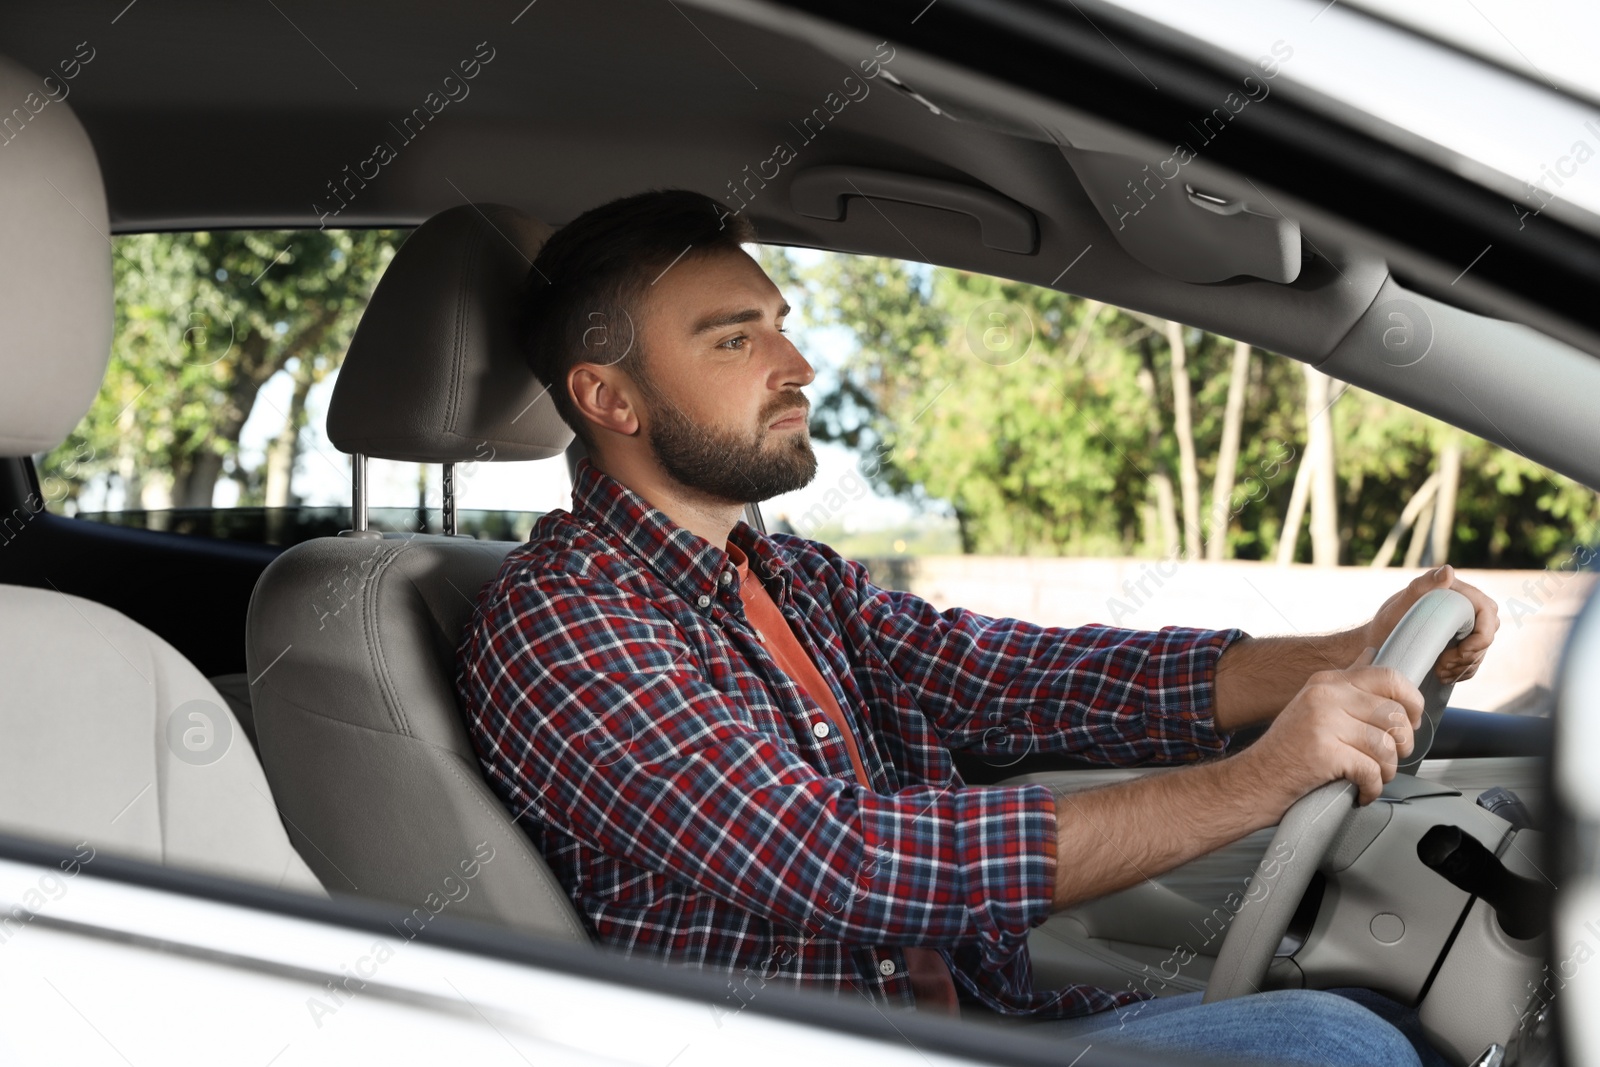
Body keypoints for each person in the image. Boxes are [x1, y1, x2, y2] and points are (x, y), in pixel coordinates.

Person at [455, 189, 1499, 1067]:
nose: (797, 365)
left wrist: (1349, 648)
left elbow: (1017, 675)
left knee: (1390, 1024)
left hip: (978, 1022)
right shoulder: (562, 622)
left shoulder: (791, 577)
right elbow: (843, 863)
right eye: (736, 339)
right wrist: (1254, 780)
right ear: (609, 398)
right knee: (1332, 1047)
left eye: (777, 320)